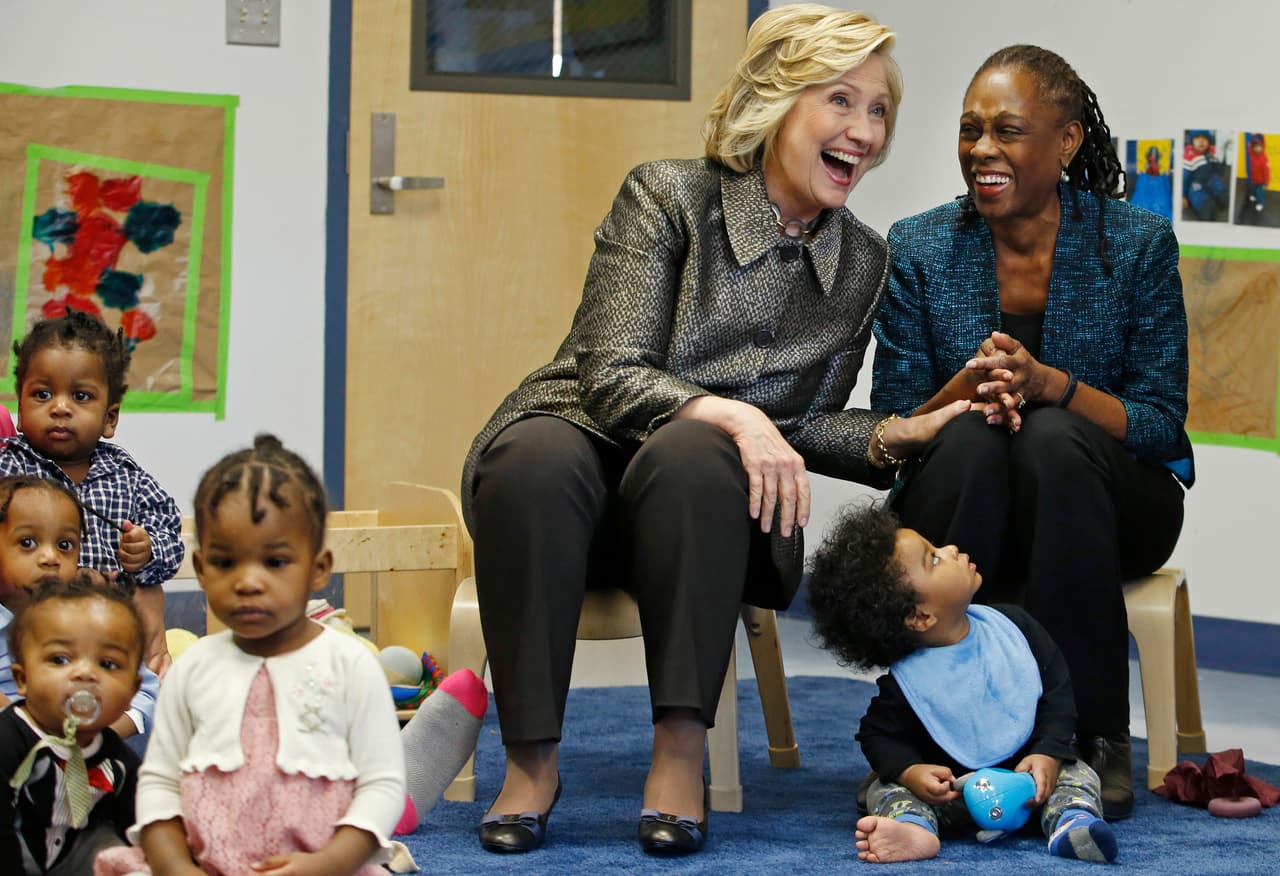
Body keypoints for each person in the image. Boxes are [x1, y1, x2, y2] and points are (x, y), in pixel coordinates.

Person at [461, 3, 969, 856]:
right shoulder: (666, 195)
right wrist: (732, 412)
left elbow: (802, 423)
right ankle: (530, 762)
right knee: (536, 457)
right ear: (775, 101)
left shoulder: (863, 262)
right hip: (577, 464)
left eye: (878, 108)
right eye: (839, 101)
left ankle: (678, 753)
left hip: (702, 508)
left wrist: (893, 437)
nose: (865, 131)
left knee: (700, 457)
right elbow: (611, 368)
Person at [870, 45, 1193, 820]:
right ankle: (931, 738)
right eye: (970, 130)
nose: (982, 150)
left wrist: (1055, 388)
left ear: (1068, 142)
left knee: (1050, 438)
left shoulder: (1137, 245)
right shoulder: (920, 246)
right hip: (968, 507)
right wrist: (963, 391)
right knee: (976, 438)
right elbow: (895, 425)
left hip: (1110, 505)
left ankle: (1090, 738)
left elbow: (1158, 422)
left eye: (1008, 131)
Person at [94, 435, 405, 876]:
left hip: (323, 866)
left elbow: (382, 784)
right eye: (225, 562)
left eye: (275, 562)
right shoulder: (193, 670)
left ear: (319, 568)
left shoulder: (350, 665)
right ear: (201, 570)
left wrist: (328, 864)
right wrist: (175, 866)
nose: (248, 582)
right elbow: (159, 784)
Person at [807, 504, 1118, 865]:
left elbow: (1057, 694)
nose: (950, 549)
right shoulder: (906, 685)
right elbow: (877, 736)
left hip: (1032, 785)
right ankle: (913, 826)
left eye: (936, 548)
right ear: (920, 616)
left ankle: (1071, 821)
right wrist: (912, 771)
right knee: (886, 787)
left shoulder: (1014, 629)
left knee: (1078, 773)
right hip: (953, 798)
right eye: (934, 560)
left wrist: (1047, 752)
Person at [0, 311, 184, 678]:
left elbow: (172, 539)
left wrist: (147, 550)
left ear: (110, 418)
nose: (61, 407)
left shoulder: (126, 476)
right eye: (43, 394)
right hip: (25, 638)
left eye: (81, 396)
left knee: (166, 682)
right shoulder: (8, 469)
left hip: (109, 639)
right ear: (20, 410)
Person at [1, 572, 146, 874]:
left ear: (132, 691)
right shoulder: (10, 739)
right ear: (22, 679)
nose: (84, 674)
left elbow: (139, 819)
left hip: (73, 853)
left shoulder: (115, 757)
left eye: (107, 664)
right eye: (60, 660)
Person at [0, 476, 159, 744]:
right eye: (27, 543)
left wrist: (103, 738)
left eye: (65, 545)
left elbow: (146, 691)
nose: (50, 558)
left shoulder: (91, 616)